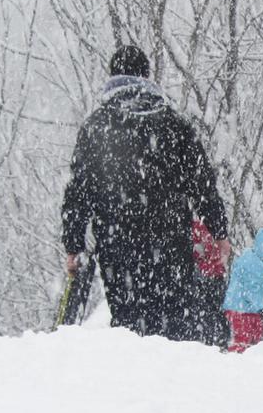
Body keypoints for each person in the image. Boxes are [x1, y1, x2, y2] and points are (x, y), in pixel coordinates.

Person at [62, 44, 230, 343]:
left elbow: (78, 192)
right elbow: (203, 183)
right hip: (170, 243)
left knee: (128, 328)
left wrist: (73, 244)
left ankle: (135, 381)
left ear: (113, 77)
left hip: (117, 245)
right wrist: (218, 232)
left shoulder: (97, 127)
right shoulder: (174, 124)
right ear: (147, 76)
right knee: (176, 326)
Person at [222, 226, 263, 353]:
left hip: (249, 308)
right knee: (243, 338)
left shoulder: (260, 262)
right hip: (239, 308)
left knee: (257, 335)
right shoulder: (253, 264)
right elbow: (250, 292)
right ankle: (235, 360)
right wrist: (261, 308)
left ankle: (256, 358)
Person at [190, 218, 230, 348]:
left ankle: (213, 340)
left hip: (209, 275)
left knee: (208, 310)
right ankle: (220, 339)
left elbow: (204, 251)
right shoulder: (213, 228)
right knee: (216, 310)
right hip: (213, 275)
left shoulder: (200, 227)